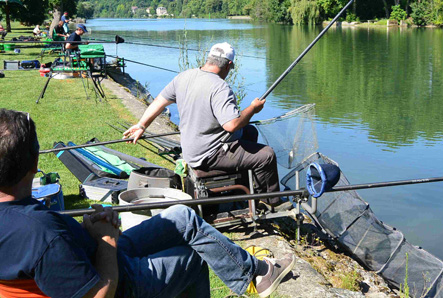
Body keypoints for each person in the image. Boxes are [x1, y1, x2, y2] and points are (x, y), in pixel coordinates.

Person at [0, 109, 296, 298]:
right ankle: (256, 273)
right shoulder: (40, 233)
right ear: (34, 163)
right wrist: (105, 240)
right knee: (192, 259)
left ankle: (256, 272)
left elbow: (48, 254)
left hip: (91, 256)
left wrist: (87, 230)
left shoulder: (28, 225)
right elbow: (99, 293)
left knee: (181, 216)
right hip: (118, 280)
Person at [123, 42, 290, 212]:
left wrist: (141, 125)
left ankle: (247, 186)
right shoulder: (220, 87)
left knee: (249, 131)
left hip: (191, 148)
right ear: (229, 65)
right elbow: (231, 125)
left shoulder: (184, 76)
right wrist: (253, 109)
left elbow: (159, 101)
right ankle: (271, 201)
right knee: (267, 155)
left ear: (209, 59)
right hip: (209, 154)